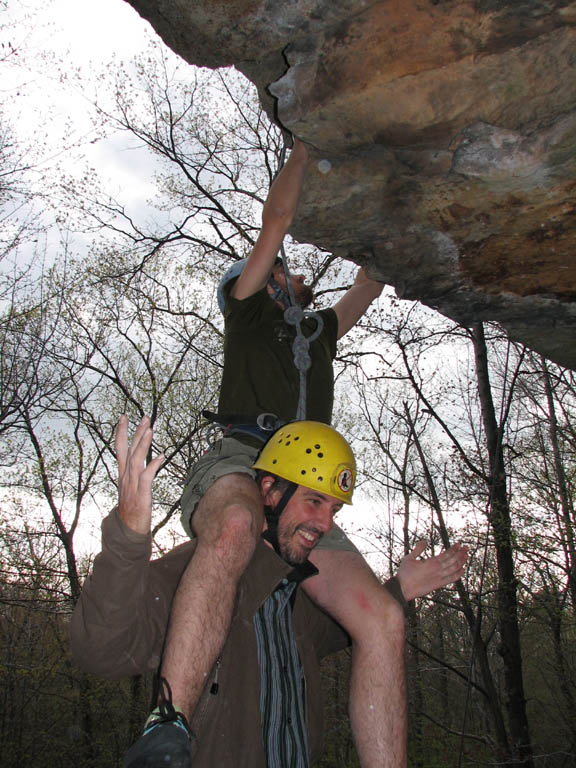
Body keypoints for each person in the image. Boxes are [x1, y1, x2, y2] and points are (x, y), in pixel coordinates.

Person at [124, 139, 467, 766]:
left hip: (304, 490)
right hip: (244, 460)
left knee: (383, 621)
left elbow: (370, 284)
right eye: (281, 270)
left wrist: (395, 216)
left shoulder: (317, 335)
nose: (291, 274)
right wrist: (305, 152)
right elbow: (275, 223)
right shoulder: (248, 310)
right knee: (233, 527)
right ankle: (169, 721)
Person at [71, 417, 401, 767]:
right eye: (314, 501)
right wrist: (128, 537)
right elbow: (101, 651)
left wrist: (400, 588)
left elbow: (342, 631)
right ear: (271, 491)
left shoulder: (298, 595)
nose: (325, 524)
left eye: (333, 509)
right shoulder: (197, 576)